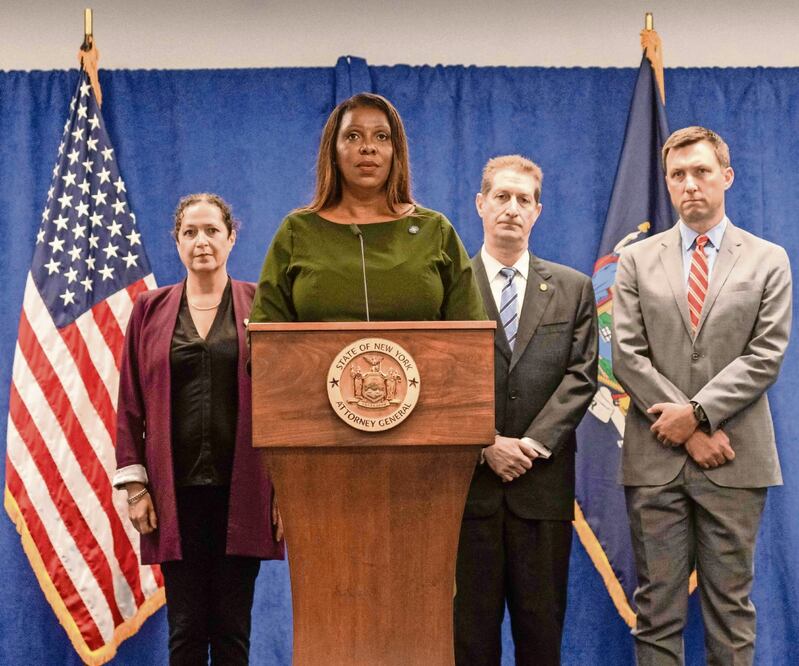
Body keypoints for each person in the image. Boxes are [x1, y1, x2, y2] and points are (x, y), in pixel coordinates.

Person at [612, 126, 792, 665]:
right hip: (655, 459)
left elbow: (766, 355)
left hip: (735, 458)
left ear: (726, 177)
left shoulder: (768, 259)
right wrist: (690, 434)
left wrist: (696, 415)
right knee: (657, 614)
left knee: (731, 613)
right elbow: (626, 354)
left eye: (701, 172)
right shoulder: (636, 261)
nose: (689, 184)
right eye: (677, 175)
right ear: (667, 184)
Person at [113, 193, 285, 665]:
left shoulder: (263, 305)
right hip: (174, 495)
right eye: (190, 232)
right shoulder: (149, 310)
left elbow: (286, 401)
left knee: (232, 631)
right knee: (186, 630)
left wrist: (284, 490)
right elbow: (130, 402)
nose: (201, 241)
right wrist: (134, 488)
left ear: (231, 238)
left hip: (243, 490)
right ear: (177, 242)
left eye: (212, 230)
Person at [455, 155, 599, 665]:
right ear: (480, 204)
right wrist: (486, 442)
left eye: (523, 199)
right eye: (501, 197)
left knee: (541, 637)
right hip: (467, 493)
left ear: (538, 210)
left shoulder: (573, 288)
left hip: (541, 490)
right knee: (470, 639)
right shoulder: (448, 289)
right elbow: (435, 382)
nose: (512, 208)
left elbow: (582, 377)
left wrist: (529, 446)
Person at [249, 92, 485, 323]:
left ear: (396, 152)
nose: (368, 147)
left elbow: (473, 337)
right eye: (353, 136)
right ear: (333, 150)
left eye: (382, 136)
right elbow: (265, 339)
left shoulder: (435, 230)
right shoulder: (297, 230)